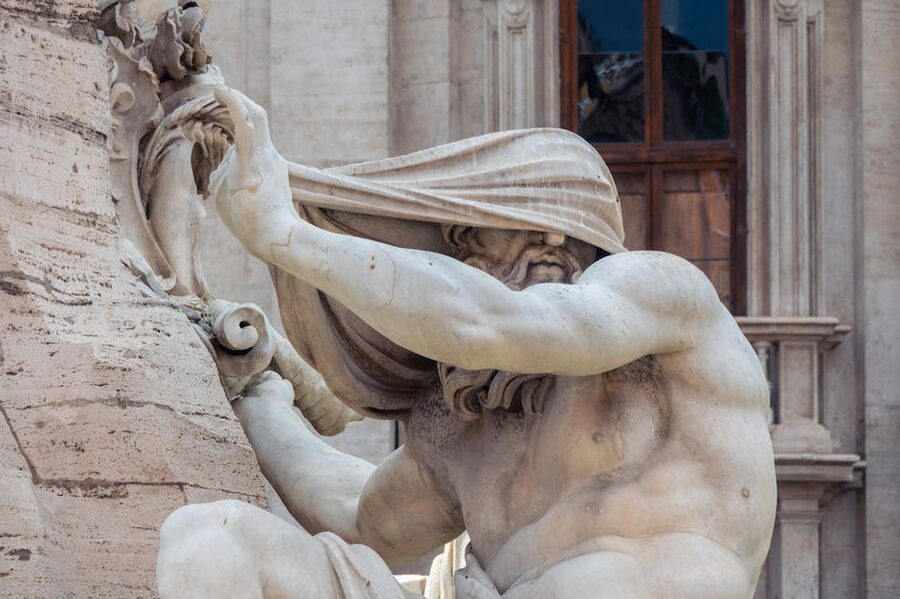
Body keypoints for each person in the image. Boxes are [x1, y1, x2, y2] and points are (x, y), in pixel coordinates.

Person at [157, 87, 776, 598]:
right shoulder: (460, 424)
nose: (447, 263)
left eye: (464, 238)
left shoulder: (657, 297)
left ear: (550, 240)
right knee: (210, 538)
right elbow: (357, 514)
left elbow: (491, 321)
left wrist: (286, 235)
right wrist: (255, 388)